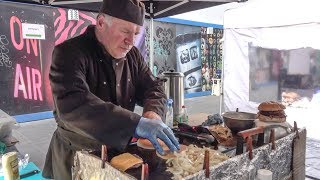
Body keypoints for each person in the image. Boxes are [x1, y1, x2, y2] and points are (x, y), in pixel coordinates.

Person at [42, 0, 180, 179]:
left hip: (117, 152)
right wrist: (135, 124)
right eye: (125, 31)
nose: (130, 41)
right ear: (100, 23)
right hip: (76, 153)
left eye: (136, 33)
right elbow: (73, 104)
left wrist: (152, 114)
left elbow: (153, 87)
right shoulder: (69, 53)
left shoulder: (133, 56)